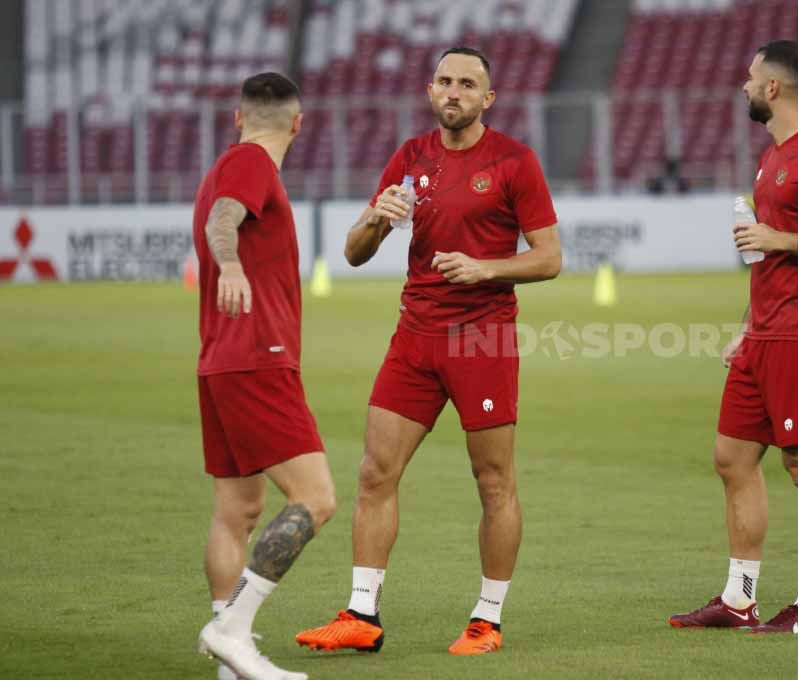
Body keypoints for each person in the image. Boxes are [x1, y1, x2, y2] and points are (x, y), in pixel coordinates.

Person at [295, 46, 560, 657]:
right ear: (430, 89)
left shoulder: (516, 162)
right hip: (414, 336)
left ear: (487, 99)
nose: (454, 92)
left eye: (468, 84)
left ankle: (486, 621)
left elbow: (549, 257)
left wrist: (484, 269)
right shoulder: (411, 157)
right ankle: (362, 613)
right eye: (444, 81)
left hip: (482, 338)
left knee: (493, 481)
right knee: (374, 472)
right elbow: (355, 252)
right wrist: (377, 220)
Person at [668, 40, 798, 635]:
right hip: (766, 336)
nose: (744, 85)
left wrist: (780, 240)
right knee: (731, 459)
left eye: (751, 76)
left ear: (775, 89)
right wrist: (746, 328)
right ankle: (740, 598)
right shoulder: (773, 157)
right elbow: (769, 255)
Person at [194, 72, 337, 680]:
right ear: (299, 124)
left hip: (221, 359)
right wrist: (230, 265)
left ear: (237, 115)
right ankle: (230, 631)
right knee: (317, 499)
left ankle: (232, 661)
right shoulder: (252, 163)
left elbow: (218, 214)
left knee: (237, 509)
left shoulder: (227, 161)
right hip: (259, 355)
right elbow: (223, 220)